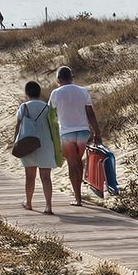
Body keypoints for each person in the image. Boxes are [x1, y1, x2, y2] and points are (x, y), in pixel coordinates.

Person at [48, 66, 102, 207]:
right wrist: (97, 131)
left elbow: (51, 116)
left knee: (72, 164)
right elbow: (90, 113)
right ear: (72, 77)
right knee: (78, 160)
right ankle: (80, 193)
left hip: (66, 132)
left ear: (58, 80)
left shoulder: (55, 93)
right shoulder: (83, 91)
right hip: (83, 131)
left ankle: (78, 198)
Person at [12, 80, 63, 214]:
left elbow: (18, 126)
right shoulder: (47, 108)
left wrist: (15, 142)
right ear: (39, 93)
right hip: (45, 145)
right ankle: (48, 206)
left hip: (28, 144)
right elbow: (54, 126)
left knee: (30, 176)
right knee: (46, 177)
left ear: (26, 93)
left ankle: (28, 203)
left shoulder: (24, 107)